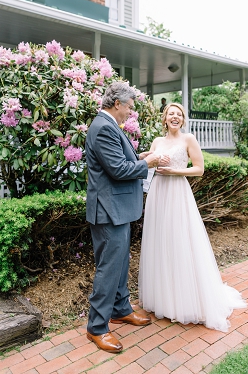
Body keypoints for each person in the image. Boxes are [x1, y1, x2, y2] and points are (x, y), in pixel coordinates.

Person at [138, 103, 246, 331]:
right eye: (171, 114)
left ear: (182, 120)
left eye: (179, 115)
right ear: (165, 118)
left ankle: (183, 301)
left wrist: (174, 171)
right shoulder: (157, 142)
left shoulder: (189, 139)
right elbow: (149, 165)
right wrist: (149, 161)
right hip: (159, 194)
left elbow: (199, 169)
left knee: (180, 242)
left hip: (178, 193)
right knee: (161, 242)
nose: (175, 117)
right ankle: (162, 299)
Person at [83, 82, 163, 353]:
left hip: (117, 209)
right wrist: (147, 164)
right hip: (108, 211)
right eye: (129, 106)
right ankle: (97, 328)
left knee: (118, 265)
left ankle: (120, 309)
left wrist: (139, 156)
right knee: (108, 268)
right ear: (117, 103)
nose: (131, 111)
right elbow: (117, 170)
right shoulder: (104, 127)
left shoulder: (108, 125)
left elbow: (118, 160)